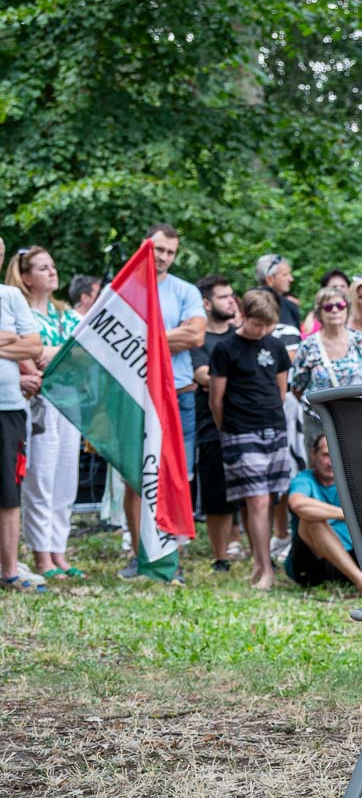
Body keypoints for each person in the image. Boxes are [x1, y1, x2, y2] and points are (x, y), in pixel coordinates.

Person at [121, 223, 205, 580]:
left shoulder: (185, 290)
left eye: (171, 252)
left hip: (178, 396)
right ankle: (139, 556)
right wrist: (170, 338)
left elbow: (196, 335)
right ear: (146, 247)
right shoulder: (125, 287)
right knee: (134, 477)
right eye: (159, 249)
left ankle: (172, 559)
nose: (164, 257)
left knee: (176, 478)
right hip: (135, 395)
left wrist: (143, 337)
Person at [209, 289, 292, 590]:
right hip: (240, 429)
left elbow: (281, 391)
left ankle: (259, 562)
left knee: (267, 498)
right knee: (256, 499)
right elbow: (216, 399)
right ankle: (266, 569)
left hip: (273, 427)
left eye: (268, 325)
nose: (262, 330)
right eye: (257, 324)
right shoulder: (226, 348)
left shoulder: (276, 346)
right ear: (243, 316)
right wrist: (227, 429)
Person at [8, 247, 83, 580]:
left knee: (66, 479)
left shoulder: (67, 314)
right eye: (42, 268)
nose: (52, 272)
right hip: (38, 402)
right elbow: (30, 354)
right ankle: (41, 556)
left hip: (70, 400)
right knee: (41, 478)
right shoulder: (20, 312)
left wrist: (52, 352)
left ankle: (59, 552)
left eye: (53, 265)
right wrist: (59, 352)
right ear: (26, 277)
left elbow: (86, 350)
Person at [0, 237, 44, 592]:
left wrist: (16, 342)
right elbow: (20, 343)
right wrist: (9, 339)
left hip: (9, 406)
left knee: (8, 491)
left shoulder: (11, 296)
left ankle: (10, 570)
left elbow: (34, 345)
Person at [190, 274, 241, 571]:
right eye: (223, 297)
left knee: (250, 492)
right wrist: (239, 379)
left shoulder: (241, 335)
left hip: (245, 422)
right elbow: (202, 376)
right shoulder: (199, 339)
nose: (231, 301)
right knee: (216, 492)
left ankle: (246, 545)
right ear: (207, 304)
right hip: (211, 424)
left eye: (232, 295)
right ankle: (220, 556)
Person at [285, 432, 362, 592]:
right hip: (311, 564)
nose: (331, 462)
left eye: (336, 455)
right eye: (326, 455)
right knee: (310, 519)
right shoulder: (304, 479)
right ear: (313, 455)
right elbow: (297, 504)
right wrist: (348, 515)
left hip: (351, 558)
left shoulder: (352, 480)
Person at [291, 286, 362, 432]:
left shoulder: (360, 341)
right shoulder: (308, 346)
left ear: (347, 309)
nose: (334, 310)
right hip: (319, 423)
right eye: (328, 307)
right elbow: (297, 388)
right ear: (319, 312)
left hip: (357, 421)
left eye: (340, 305)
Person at [252, 252, 303, 334]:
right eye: (285, 275)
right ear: (269, 279)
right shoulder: (253, 304)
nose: (291, 279)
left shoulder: (290, 305)